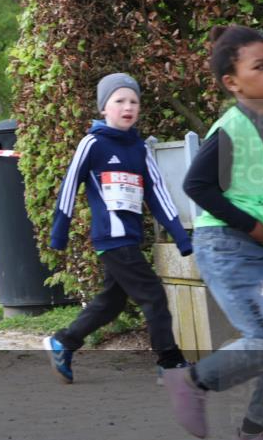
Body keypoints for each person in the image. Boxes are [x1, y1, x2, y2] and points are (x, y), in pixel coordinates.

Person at [166, 25, 263, 440]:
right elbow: (196, 184)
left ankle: (252, 439)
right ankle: (193, 382)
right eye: (261, 66)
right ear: (232, 83)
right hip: (229, 247)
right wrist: (251, 226)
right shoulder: (233, 127)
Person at [42, 73, 193, 384]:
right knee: (153, 295)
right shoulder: (92, 144)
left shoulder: (139, 149)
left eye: (134, 101)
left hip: (130, 237)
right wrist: (59, 232)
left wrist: (180, 235)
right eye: (119, 100)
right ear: (103, 108)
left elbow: (158, 194)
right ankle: (170, 361)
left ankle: (64, 342)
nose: (128, 106)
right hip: (111, 237)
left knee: (111, 302)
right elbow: (70, 187)